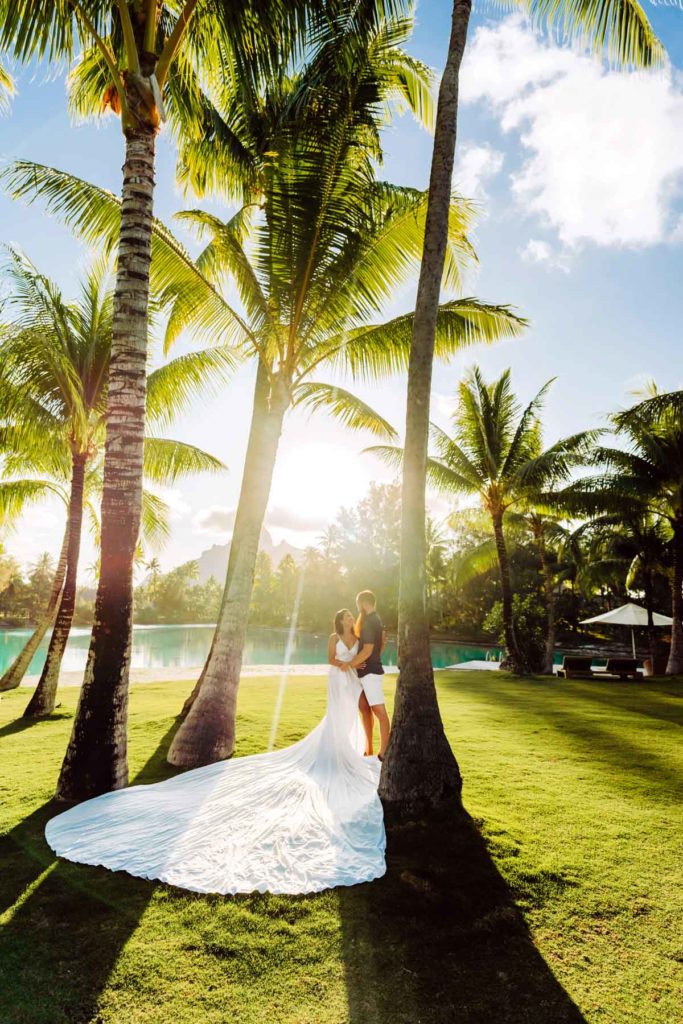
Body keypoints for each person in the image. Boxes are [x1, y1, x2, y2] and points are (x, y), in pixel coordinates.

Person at [43, 608, 386, 896]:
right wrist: (344, 665)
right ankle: (336, 754)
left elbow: (365, 655)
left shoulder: (356, 637)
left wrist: (356, 667)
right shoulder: (334, 638)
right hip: (336, 680)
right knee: (335, 719)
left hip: (350, 682)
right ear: (339, 622)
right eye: (344, 618)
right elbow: (331, 659)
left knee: (349, 718)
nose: (347, 621)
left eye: (349, 618)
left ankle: (351, 751)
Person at [349, 590, 391, 760]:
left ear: (363, 603)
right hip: (368, 672)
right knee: (367, 709)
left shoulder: (369, 622)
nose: (357, 607)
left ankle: (384, 752)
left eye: (358, 604)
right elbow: (377, 650)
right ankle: (369, 749)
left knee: (379, 711)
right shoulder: (376, 620)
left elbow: (367, 651)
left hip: (371, 673)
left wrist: (350, 664)